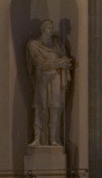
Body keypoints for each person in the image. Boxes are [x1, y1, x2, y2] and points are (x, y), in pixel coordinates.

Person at [26, 19, 72, 151]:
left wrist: (65, 63)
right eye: (48, 28)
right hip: (43, 79)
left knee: (55, 107)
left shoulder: (57, 44)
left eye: (52, 28)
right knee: (40, 107)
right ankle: (37, 139)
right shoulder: (34, 45)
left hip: (56, 78)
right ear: (42, 29)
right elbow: (40, 65)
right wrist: (59, 64)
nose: (51, 31)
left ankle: (53, 139)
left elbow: (64, 59)